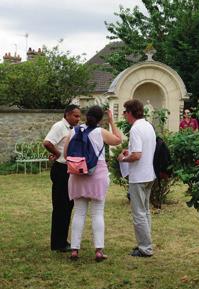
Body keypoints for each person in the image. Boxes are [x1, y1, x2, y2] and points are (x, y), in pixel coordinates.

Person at [64, 106, 122, 262]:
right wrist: (111, 121)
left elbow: (65, 154)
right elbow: (118, 139)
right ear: (100, 119)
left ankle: (75, 250)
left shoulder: (73, 131)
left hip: (77, 175)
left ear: (85, 116)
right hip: (97, 175)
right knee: (97, 213)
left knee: (79, 212)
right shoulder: (100, 132)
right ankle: (98, 251)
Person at [118, 99, 156, 257]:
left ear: (130, 112)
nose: (124, 115)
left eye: (125, 112)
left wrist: (123, 159)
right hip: (149, 174)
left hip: (139, 176)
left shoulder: (135, 129)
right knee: (145, 211)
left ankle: (145, 248)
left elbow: (137, 155)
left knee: (139, 213)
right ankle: (145, 243)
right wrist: (131, 152)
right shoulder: (148, 125)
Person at [43, 104, 81, 252]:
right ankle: (58, 243)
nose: (78, 119)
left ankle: (62, 240)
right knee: (60, 206)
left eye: (79, 116)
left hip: (69, 170)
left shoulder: (71, 129)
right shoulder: (59, 126)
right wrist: (58, 154)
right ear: (67, 115)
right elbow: (47, 142)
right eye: (76, 116)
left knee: (67, 205)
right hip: (60, 170)